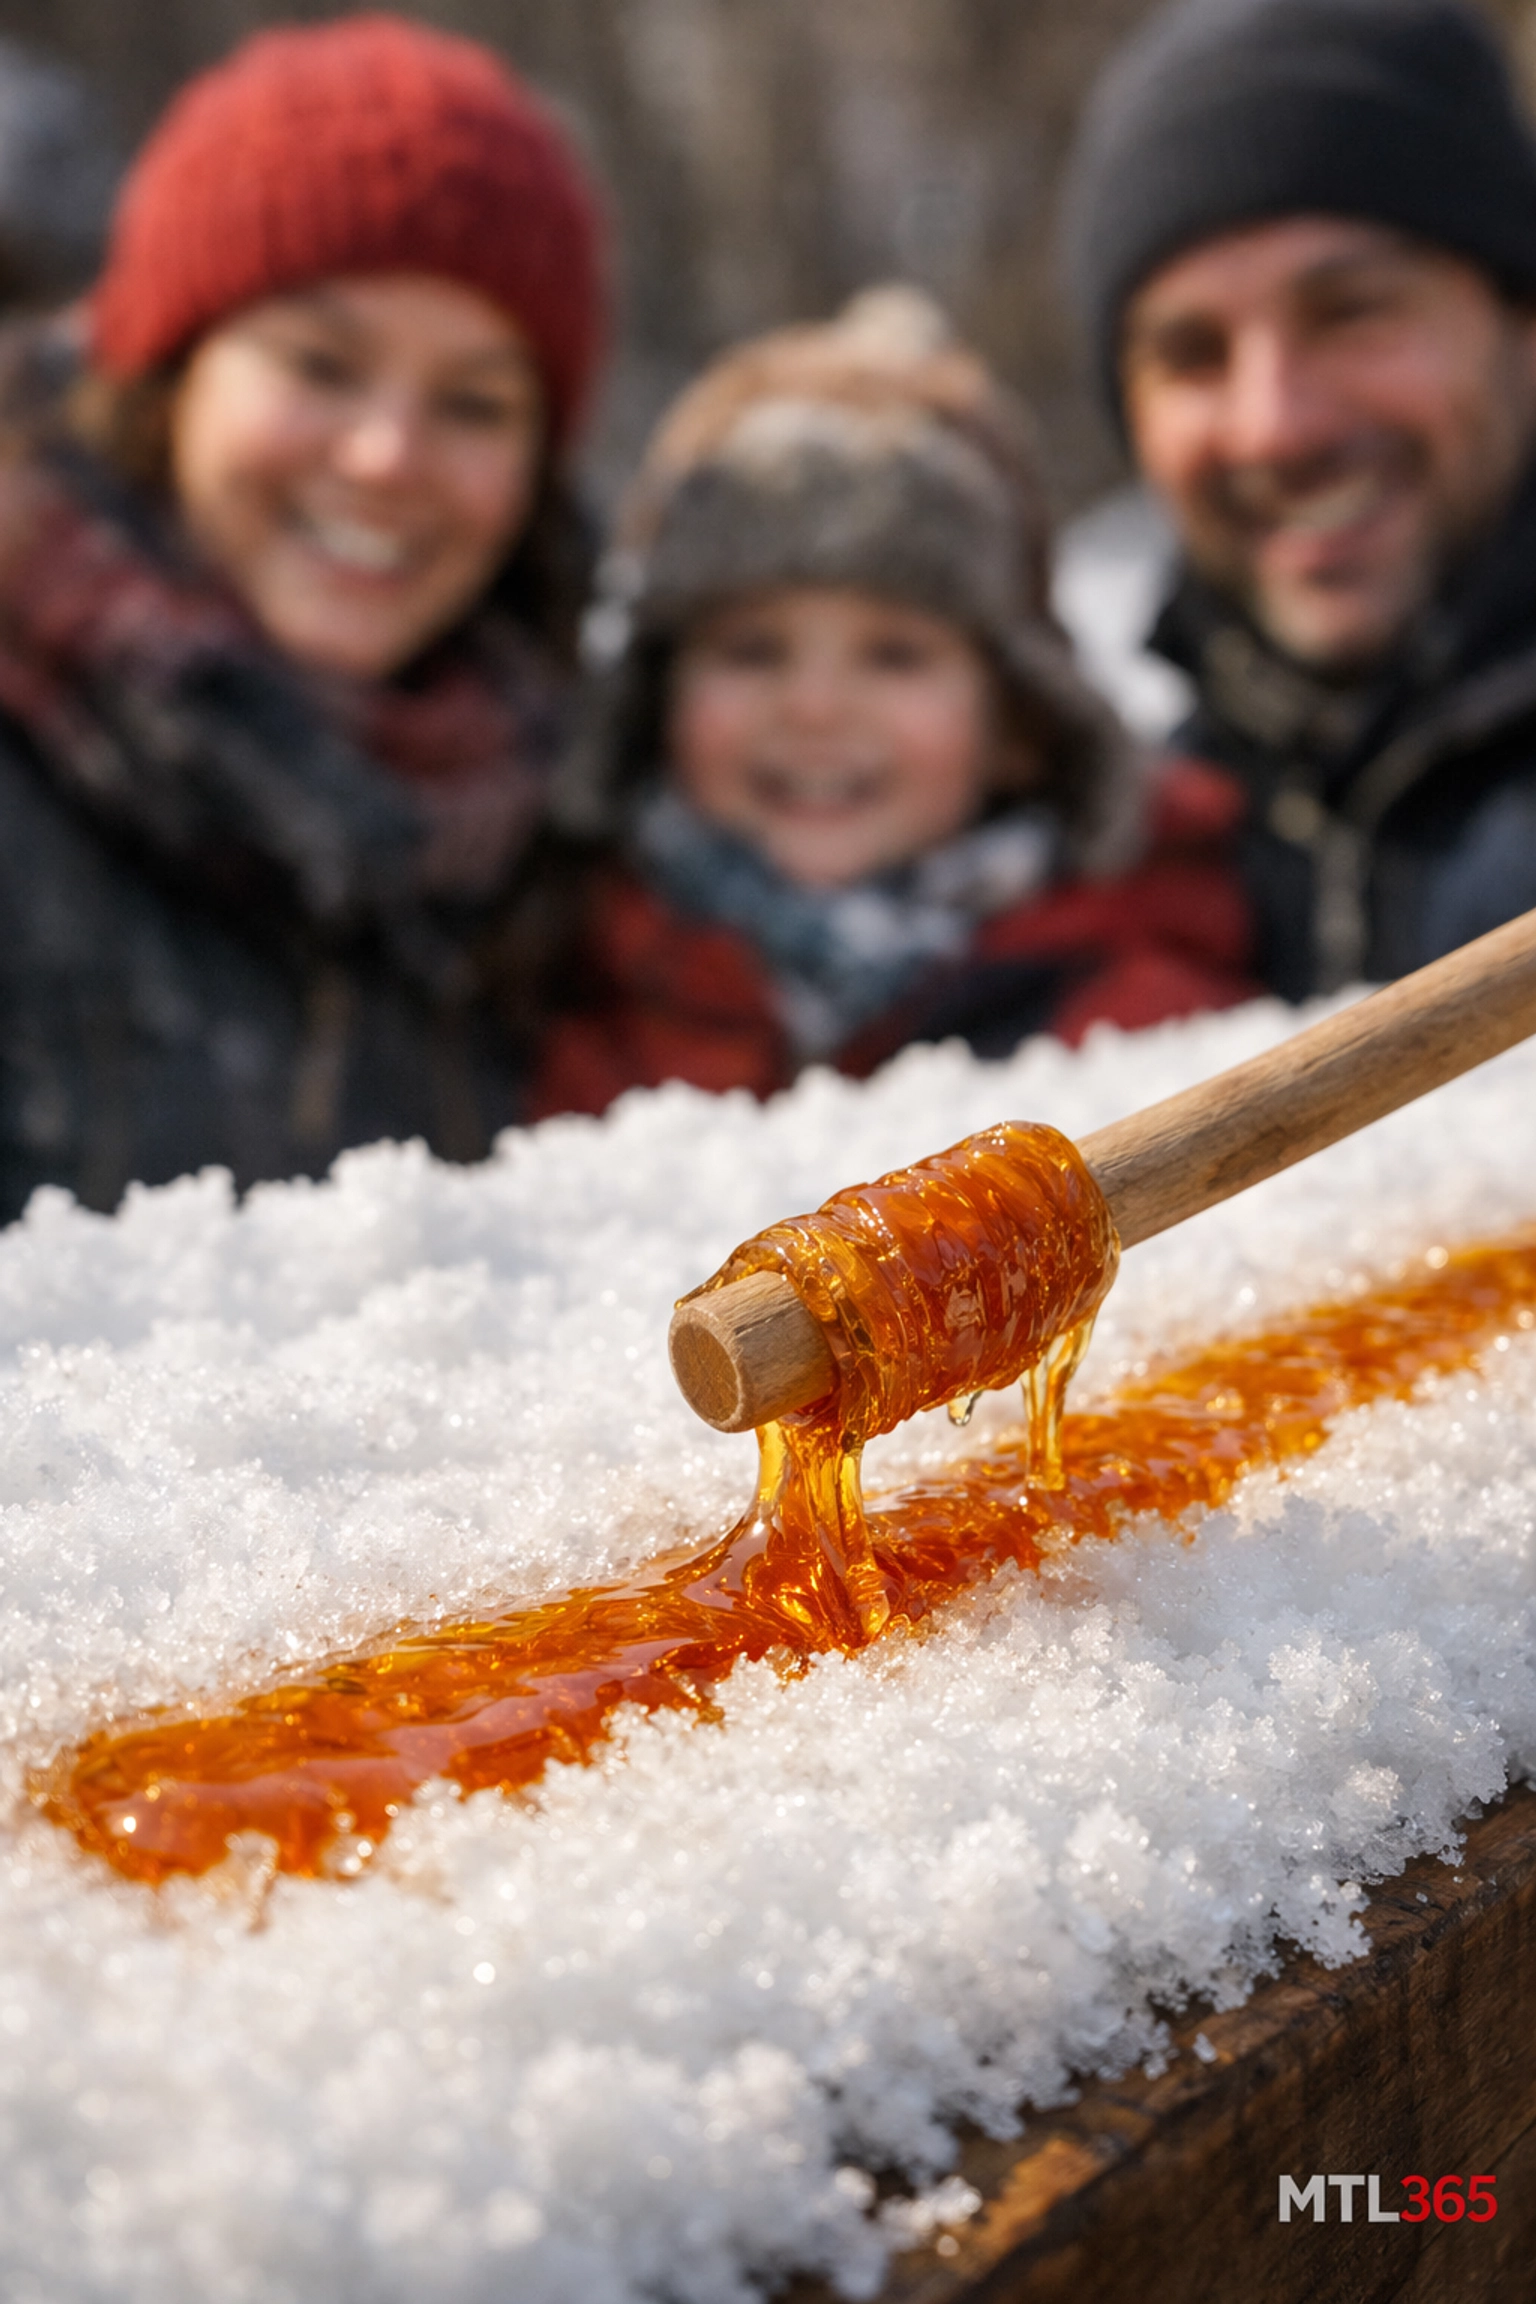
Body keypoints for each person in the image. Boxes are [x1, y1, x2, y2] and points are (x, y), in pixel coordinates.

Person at [0, 14, 606, 1221]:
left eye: (475, 403)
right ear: (171, 380)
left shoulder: (566, 829)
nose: (388, 456)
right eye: (320, 366)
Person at [530, 289, 1254, 1118]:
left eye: (895, 655)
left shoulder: (1146, 1036)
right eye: (751, 650)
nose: (814, 707)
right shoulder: (559, 993)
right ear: (655, 701)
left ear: (1018, 720)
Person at [1063, 0, 1536, 1000]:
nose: (1277, 427)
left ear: (1521, 322)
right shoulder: (1103, 872)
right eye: (1192, 355)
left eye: (1351, 311)